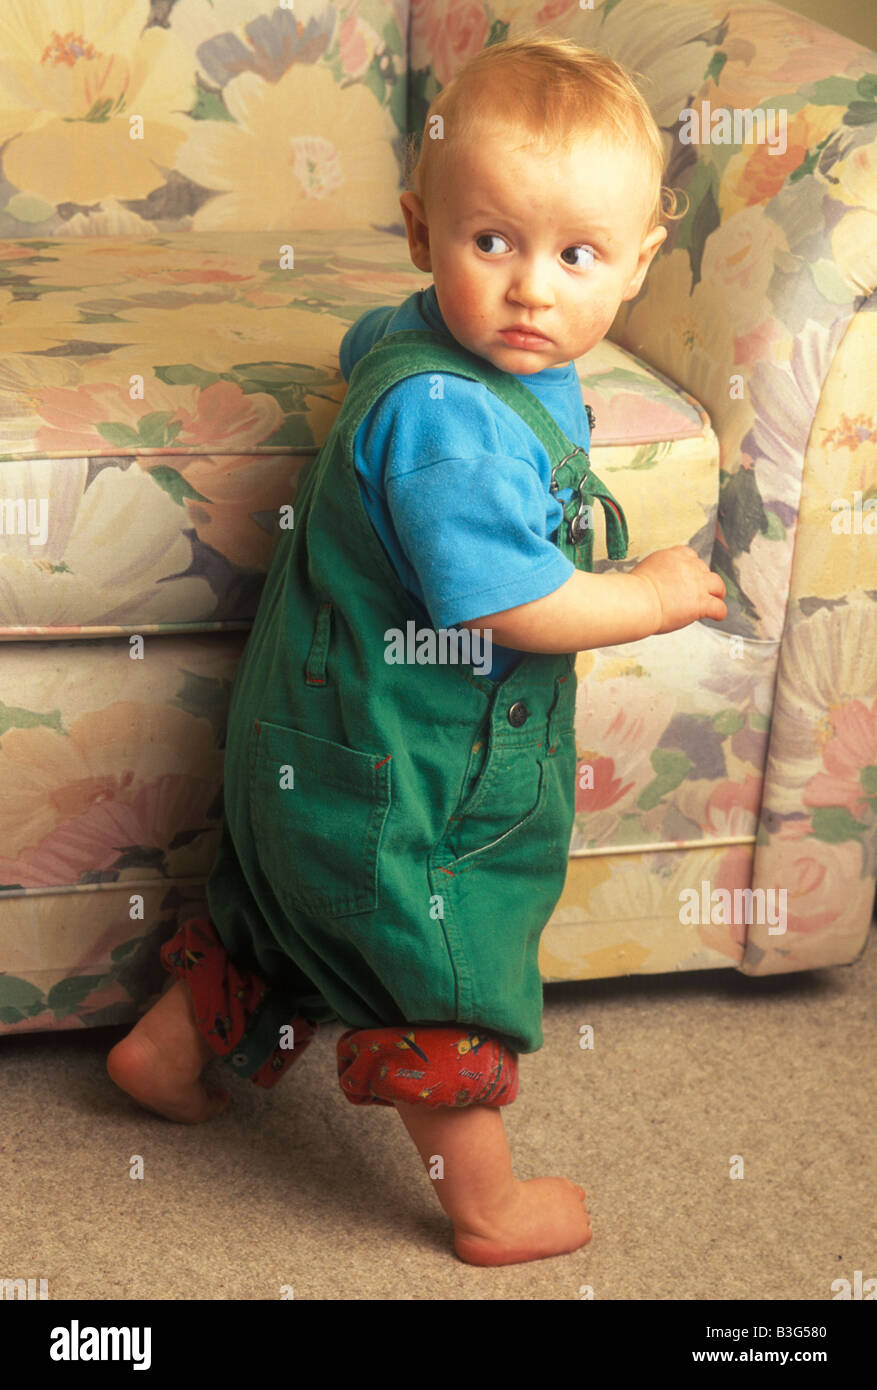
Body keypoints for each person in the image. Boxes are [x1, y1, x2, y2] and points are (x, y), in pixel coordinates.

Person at [107, 34, 726, 1267]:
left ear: (641, 261)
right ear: (418, 225)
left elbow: (359, 362)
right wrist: (648, 593)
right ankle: (484, 1205)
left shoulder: (406, 339)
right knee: (441, 963)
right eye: (489, 241)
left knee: (291, 923)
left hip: (310, 756)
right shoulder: (456, 437)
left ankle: (168, 1050)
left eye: (577, 254)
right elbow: (511, 610)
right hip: (408, 776)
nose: (531, 290)